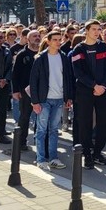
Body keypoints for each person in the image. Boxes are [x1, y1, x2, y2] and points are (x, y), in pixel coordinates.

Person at [70, 20, 106, 169]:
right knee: (85, 123)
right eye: (94, 29)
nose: (97, 32)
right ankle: (87, 154)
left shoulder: (104, 47)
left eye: (98, 29)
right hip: (85, 91)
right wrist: (93, 85)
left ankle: (97, 153)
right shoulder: (78, 49)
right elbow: (78, 72)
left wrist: (102, 85)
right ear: (87, 31)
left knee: (103, 123)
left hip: (102, 90)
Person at [30, 30, 74, 171]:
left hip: (59, 98)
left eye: (59, 39)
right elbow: (33, 81)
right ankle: (41, 159)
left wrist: (68, 98)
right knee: (42, 130)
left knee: (54, 130)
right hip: (44, 99)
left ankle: (53, 158)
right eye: (54, 39)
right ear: (48, 41)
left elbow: (68, 78)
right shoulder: (40, 58)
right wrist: (35, 101)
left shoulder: (64, 57)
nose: (58, 42)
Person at [12, 30, 42, 151]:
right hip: (26, 91)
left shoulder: (43, 54)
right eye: (34, 36)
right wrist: (15, 90)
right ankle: (21, 141)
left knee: (41, 118)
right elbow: (15, 74)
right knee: (25, 116)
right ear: (28, 39)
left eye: (39, 36)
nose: (37, 38)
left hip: (41, 90)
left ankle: (38, 141)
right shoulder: (22, 54)